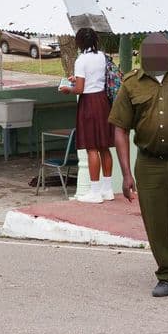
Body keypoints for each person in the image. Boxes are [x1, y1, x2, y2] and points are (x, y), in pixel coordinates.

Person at [109, 32, 168, 297]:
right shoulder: (131, 84)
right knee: (156, 222)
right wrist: (126, 174)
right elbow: (119, 128)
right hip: (149, 164)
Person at [59, 27, 115, 203]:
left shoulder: (81, 60)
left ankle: (95, 192)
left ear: (80, 42)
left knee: (92, 147)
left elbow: (80, 89)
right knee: (104, 147)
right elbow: (96, 78)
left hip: (89, 103)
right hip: (103, 101)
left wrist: (69, 89)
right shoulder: (101, 56)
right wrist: (78, 79)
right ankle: (108, 190)